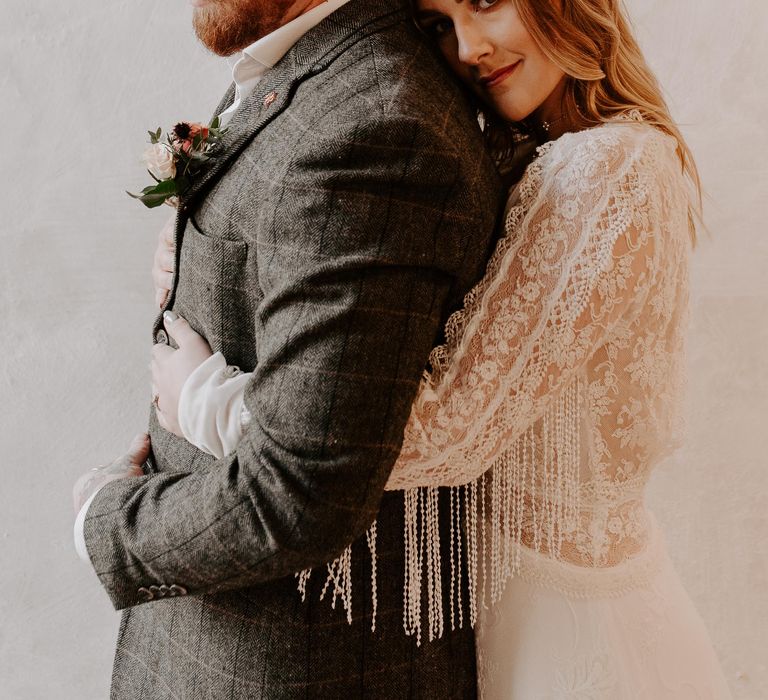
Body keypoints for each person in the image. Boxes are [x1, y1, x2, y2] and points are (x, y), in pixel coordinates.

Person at [147, 0, 735, 697]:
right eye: (440, 25)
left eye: (484, 3)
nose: (470, 47)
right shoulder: (527, 157)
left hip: (575, 635)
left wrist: (205, 399)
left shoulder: (612, 168)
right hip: (497, 614)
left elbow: (449, 431)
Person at [71, 0, 504, 697]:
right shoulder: (307, 68)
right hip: (207, 651)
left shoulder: (380, 124)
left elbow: (299, 489)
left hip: (288, 671)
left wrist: (106, 520)